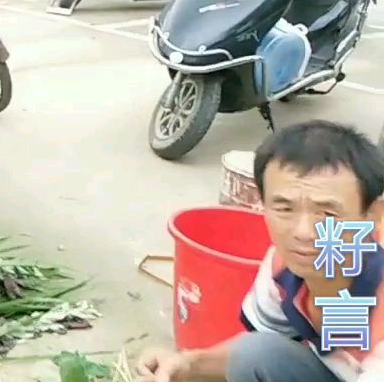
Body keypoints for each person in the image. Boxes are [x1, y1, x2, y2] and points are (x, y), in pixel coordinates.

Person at [137, 120, 384, 382]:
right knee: (256, 353)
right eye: (285, 208)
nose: (303, 232)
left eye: (327, 213)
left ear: (373, 216)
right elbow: (259, 351)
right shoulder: (283, 268)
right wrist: (187, 365)